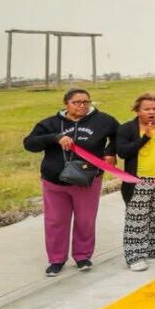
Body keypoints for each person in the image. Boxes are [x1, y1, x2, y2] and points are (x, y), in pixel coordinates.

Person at [23, 88, 119, 276]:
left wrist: (110, 152)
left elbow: (119, 134)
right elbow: (29, 143)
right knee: (56, 221)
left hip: (87, 180)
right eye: (77, 102)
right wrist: (56, 138)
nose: (82, 106)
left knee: (85, 220)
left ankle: (82, 256)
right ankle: (56, 259)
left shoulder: (103, 120)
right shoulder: (50, 123)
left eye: (86, 102)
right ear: (66, 103)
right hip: (55, 182)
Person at [116, 92, 155, 271]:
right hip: (138, 181)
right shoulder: (127, 128)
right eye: (147, 109)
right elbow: (123, 152)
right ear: (137, 110)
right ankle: (135, 256)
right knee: (137, 219)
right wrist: (147, 137)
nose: (152, 112)